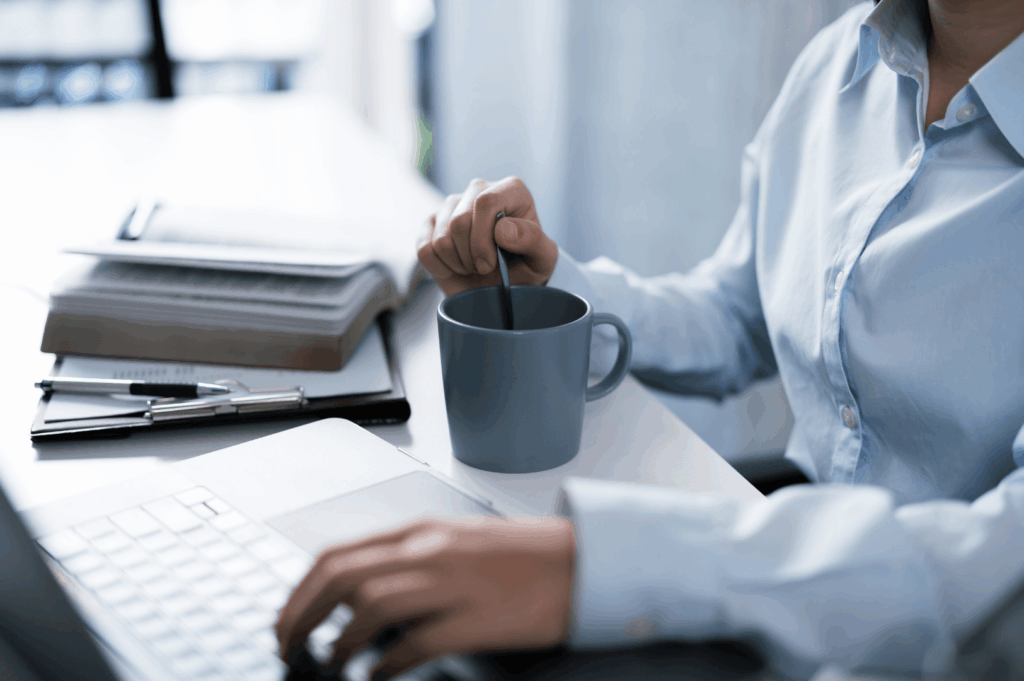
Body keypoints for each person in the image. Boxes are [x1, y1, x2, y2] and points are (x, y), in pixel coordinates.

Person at [276, 0, 1024, 678]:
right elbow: (737, 316)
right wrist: (551, 291)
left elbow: (998, 560)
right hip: (771, 567)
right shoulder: (840, 63)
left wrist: (606, 565)